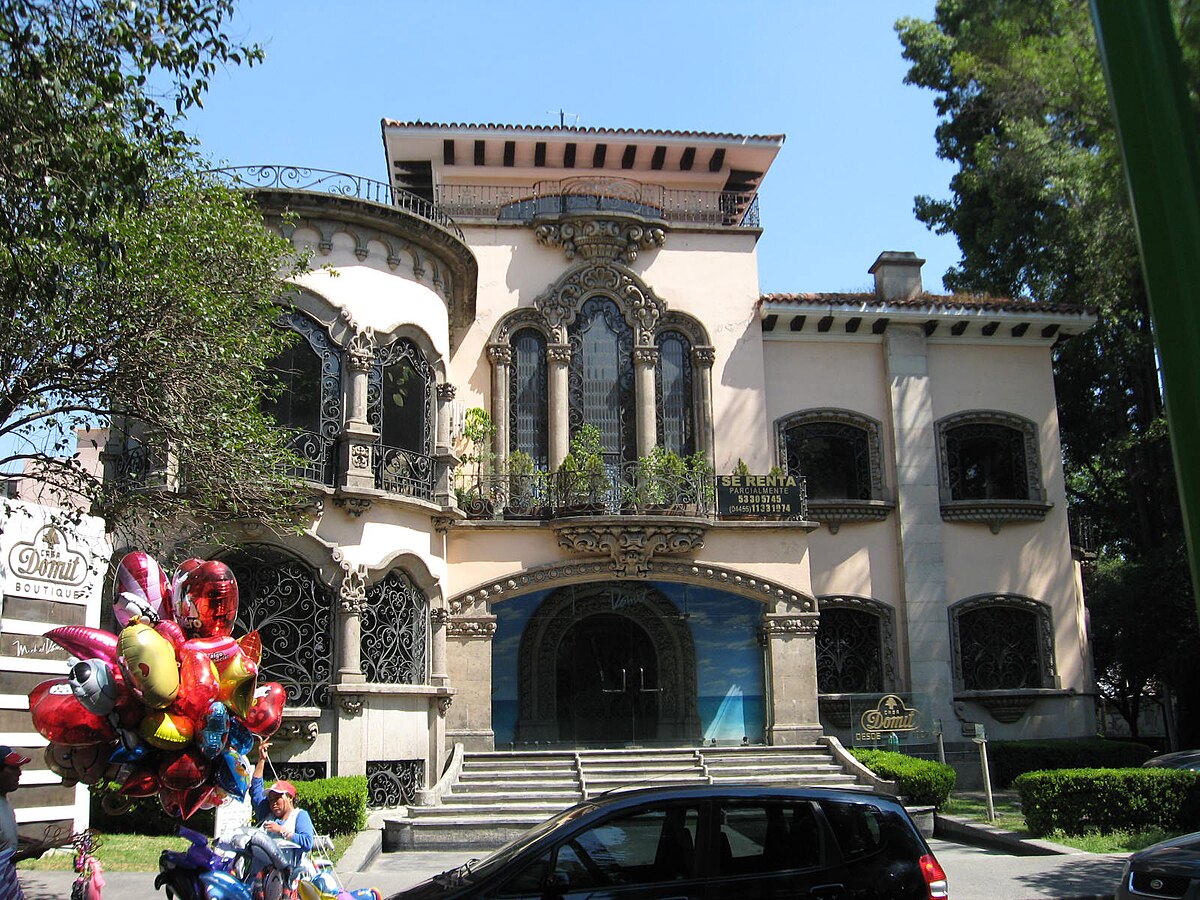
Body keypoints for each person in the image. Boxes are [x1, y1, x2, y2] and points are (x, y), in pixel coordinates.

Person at [0, 746, 55, 899]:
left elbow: (3, 837)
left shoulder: (4, 800)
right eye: (13, 768)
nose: (20, 773)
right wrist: (26, 855)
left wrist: (27, 840)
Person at [250, 740, 315, 852]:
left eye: (277, 798)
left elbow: (307, 843)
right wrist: (261, 759)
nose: (273, 803)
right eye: (270, 800)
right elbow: (256, 790)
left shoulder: (299, 816)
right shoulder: (267, 815)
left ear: (289, 798)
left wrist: (281, 830)